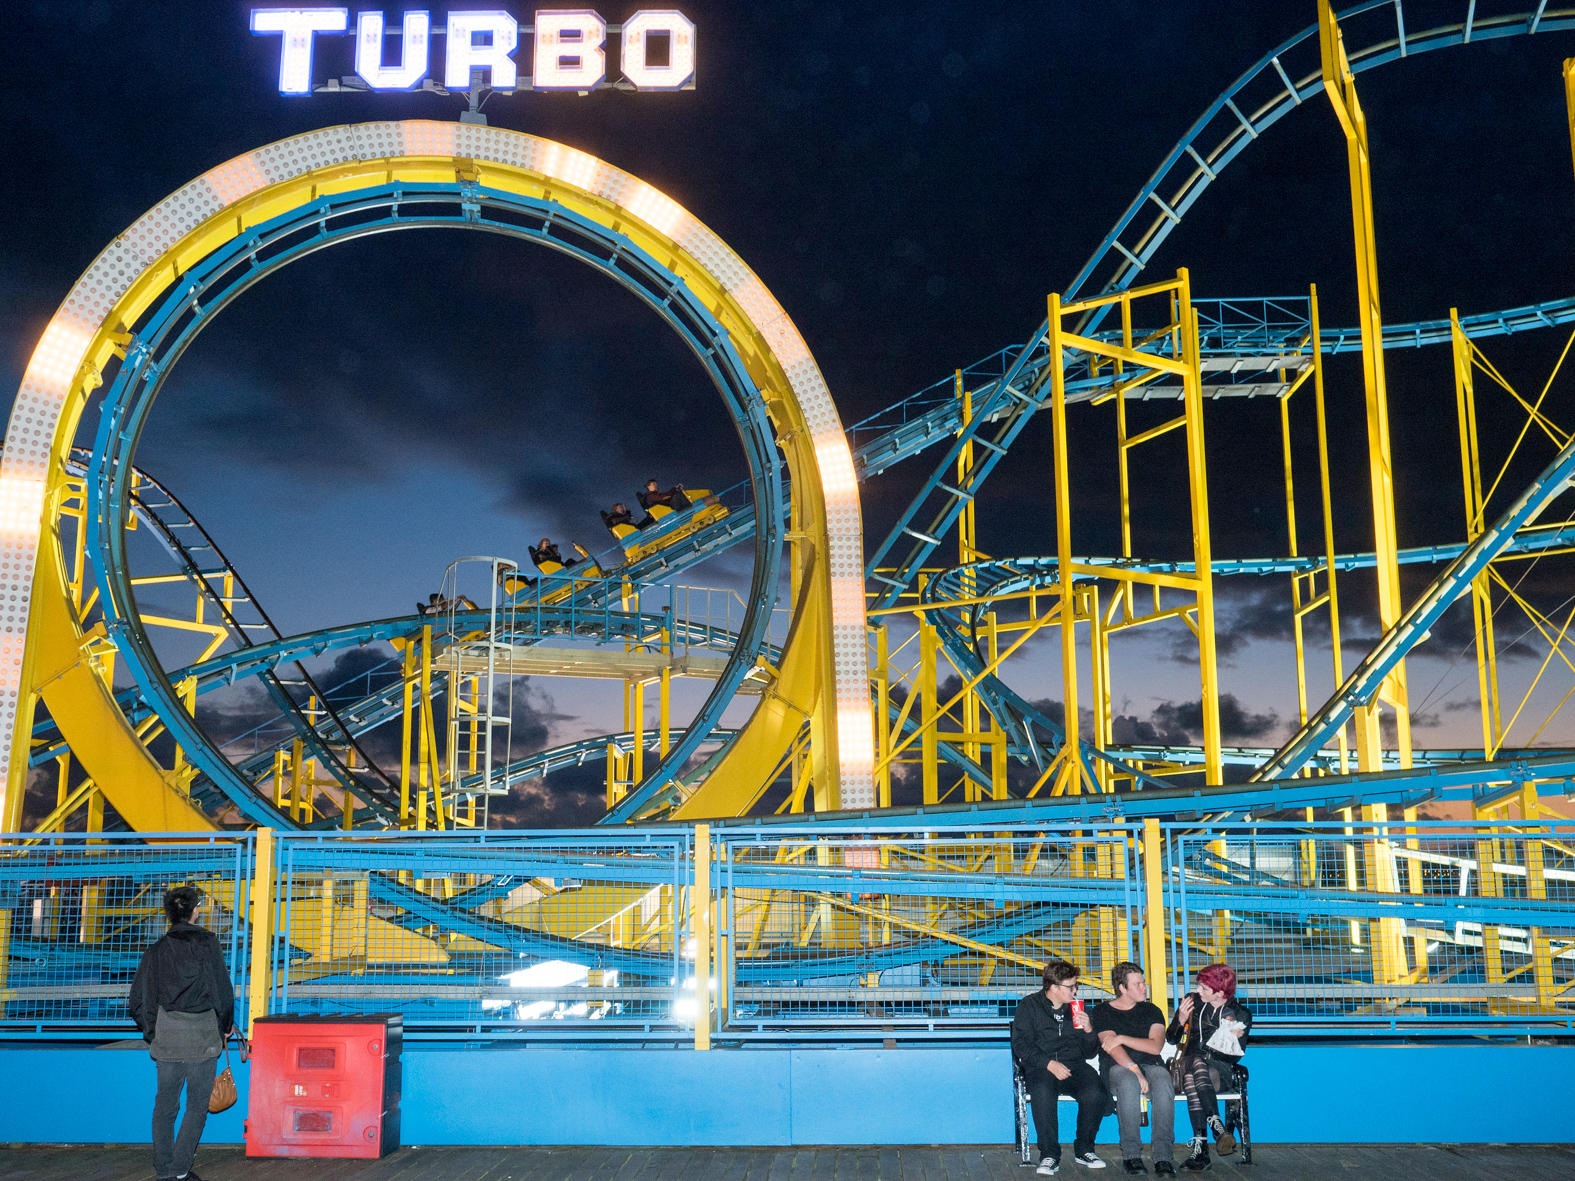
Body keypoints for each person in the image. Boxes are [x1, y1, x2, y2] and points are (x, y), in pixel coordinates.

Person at [128, 885, 236, 1181]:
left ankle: (163, 1169)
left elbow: (139, 1000)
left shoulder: (156, 949)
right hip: (202, 1035)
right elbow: (222, 991)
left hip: (168, 1036)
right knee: (197, 1106)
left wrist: (153, 1033)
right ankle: (179, 1170)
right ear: (194, 911)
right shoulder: (208, 943)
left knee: (164, 1105)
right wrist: (225, 1027)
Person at [1011, 959, 1110, 1174]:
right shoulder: (1029, 1006)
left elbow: (1090, 1052)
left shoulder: (1078, 1009)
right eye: (1071, 986)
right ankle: (1049, 1154)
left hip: (1074, 1065)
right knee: (1042, 1091)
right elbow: (1021, 1045)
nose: (1075, 990)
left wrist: (1089, 1030)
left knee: (1095, 1091)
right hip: (1041, 1066)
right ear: (1054, 987)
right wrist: (1048, 1063)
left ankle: (1084, 1149)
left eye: (1076, 985)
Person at [1166, 963, 1252, 1172]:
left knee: (1194, 1077)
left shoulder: (1240, 1014)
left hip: (1217, 1069)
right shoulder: (1192, 1003)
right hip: (1188, 1061)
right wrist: (1180, 1019)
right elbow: (1171, 1039)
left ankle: (1200, 1150)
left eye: (1204, 988)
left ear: (1221, 992)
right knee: (1196, 1062)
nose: (1198, 991)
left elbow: (1234, 1056)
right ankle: (1217, 1127)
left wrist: (1231, 1039)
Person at [1093, 962, 1175, 1176]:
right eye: (1137, 984)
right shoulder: (1102, 1011)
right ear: (1122, 988)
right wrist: (1135, 1070)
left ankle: (1163, 1157)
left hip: (1151, 1064)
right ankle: (1131, 1155)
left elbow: (1155, 1045)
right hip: (1117, 1067)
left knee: (1163, 1080)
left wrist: (1121, 1037)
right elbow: (1113, 1049)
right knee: (1129, 1082)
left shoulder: (1152, 1010)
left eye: (1143, 983)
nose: (1143, 987)